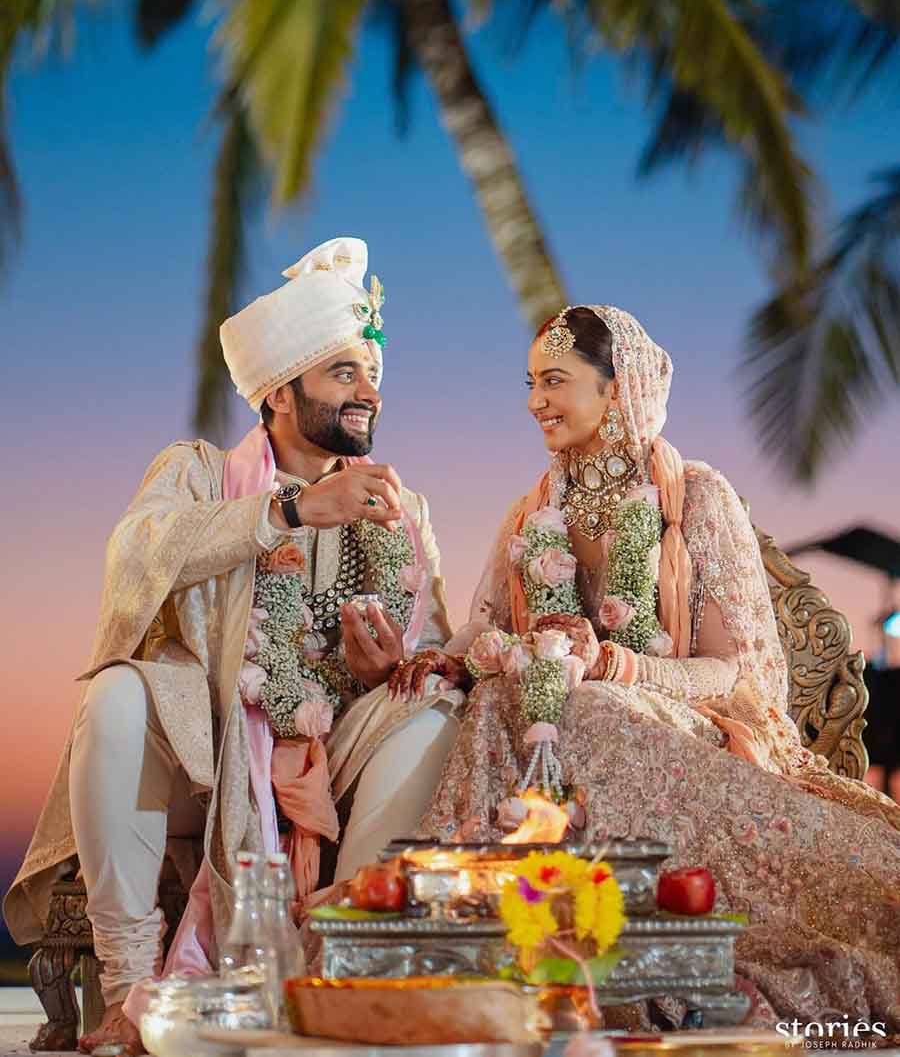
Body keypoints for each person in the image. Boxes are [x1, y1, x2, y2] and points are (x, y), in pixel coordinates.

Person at [3, 237, 462, 1054]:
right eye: (344, 374)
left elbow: (434, 643)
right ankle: (129, 989)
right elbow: (136, 554)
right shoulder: (201, 472)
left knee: (431, 706)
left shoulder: (402, 509)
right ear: (280, 392)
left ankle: (338, 963)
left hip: (337, 751)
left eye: (374, 376)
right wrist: (287, 513)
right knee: (114, 690)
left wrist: (385, 668)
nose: (369, 395)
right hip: (209, 749)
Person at [394, 305, 900, 1028]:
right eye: (531, 382)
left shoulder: (694, 496)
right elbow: (490, 625)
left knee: (589, 706)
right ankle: (485, 929)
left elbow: (731, 670)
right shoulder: (529, 511)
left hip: (685, 715)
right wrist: (442, 658)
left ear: (615, 390)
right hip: (560, 702)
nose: (534, 401)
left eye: (555, 381)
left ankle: (603, 940)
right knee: (504, 694)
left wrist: (620, 666)